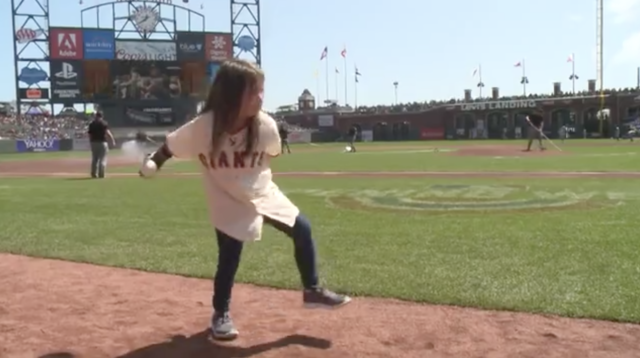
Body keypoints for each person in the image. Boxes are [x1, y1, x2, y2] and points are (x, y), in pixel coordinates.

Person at [137, 59, 351, 341]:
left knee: (303, 228)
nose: (260, 97)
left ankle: (312, 290)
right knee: (229, 256)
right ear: (232, 93)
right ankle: (220, 315)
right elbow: (167, 150)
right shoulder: (203, 127)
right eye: (254, 91)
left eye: (262, 90)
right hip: (225, 195)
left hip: (261, 190)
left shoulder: (265, 125)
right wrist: (152, 164)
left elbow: (273, 153)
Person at [87, 112, 115, 178]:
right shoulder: (103, 123)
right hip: (102, 142)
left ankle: (93, 174)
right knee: (102, 159)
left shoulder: (92, 124)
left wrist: (90, 142)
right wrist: (112, 140)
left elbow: (89, 135)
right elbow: (108, 133)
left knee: (94, 159)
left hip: (93, 142)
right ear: (101, 117)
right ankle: (101, 174)